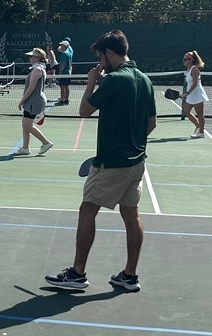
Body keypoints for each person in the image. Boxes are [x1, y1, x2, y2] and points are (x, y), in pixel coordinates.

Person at [46, 30, 156, 293]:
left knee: (87, 211)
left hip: (112, 163)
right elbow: (151, 124)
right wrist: (130, 142)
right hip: (137, 161)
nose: (99, 63)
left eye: (100, 57)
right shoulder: (144, 80)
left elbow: (84, 110)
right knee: (131, 214)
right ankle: (129, 276)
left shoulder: (113, 80)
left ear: (109, 53)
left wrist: (92, 82)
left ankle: (77, 274)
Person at [14, 47, 55, 156]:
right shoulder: (38, 68)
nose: (30, 58)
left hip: (34, 101)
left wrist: (21, 101)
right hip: (32, 100)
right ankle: (25, 148)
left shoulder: (37, 69)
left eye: (31, 56)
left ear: (37, 58)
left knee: (27, 124)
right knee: (25, 123)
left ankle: (45, 142)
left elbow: (31, 88)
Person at [181, 50, 208, 138]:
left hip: (197, 94)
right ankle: (198, 126)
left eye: (185, 59)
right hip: (191, 94)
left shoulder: (194, 69)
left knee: (200, 114)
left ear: (191, 60)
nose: (184, 61)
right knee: (186, 111)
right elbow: (190, 84)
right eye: (183, 59)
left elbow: (195, 83)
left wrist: (187, 93)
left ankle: (201, 132)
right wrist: (187, 93)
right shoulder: (189, 69)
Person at [56, 37, 74, 105]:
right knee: (66, 86)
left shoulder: (64, 54)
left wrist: (60, 73)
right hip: (68, 72)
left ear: (64, 46)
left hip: (64, 73)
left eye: (61, 45)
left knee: (63, 86)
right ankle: (66, 99)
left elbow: (63, 64)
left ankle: (62, 99)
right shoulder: (69, 52)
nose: (60, 46)